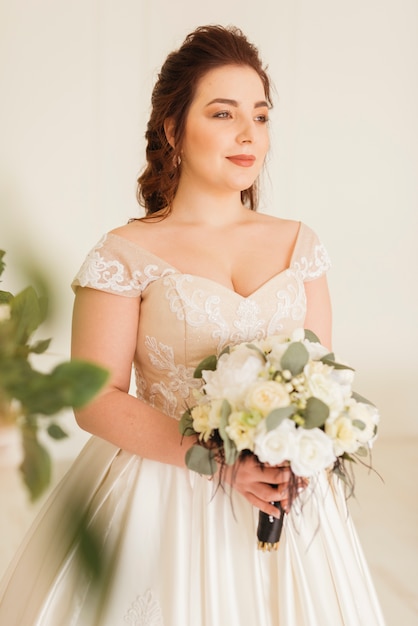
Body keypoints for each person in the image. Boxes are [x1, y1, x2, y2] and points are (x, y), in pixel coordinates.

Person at [0, 25, 385, 625]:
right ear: (174, 130)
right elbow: (94, 399)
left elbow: (321, 382)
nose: (247, 134)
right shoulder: (124, 253)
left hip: (288, 504)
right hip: (162, 493)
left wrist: (298, 448)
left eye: (260, 116)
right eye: (223, 113)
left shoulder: (299, 245)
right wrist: (219, 462)